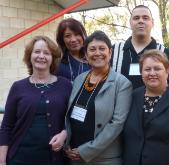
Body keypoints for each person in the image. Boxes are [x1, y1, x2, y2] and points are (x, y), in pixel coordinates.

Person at [0, 36, 72, 165]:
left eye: (46, 53)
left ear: (53, 58)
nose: (41, 56)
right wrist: (1, 161)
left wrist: (65, 133)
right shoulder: (18, 87)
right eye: (37, 51)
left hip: (54, 159)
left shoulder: (66, 85)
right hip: (19, 158)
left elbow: (73, 119)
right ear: (30, 56)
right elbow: (6, 126)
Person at [64, 31, 132, 165]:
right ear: (86, 54)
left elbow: (117, 124)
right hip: (75, 155)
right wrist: (68, 143)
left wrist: (85, 150)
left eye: (102, 48)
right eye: (92, 49)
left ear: (110, 53)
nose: (97, 53)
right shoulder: (79, 79)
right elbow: (69, 115)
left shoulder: (122, 83)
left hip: (104, 158)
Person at [111, 5, 169, 94]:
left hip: (155, 107)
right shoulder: (114, 51)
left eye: (145, 18)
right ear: (130, 23)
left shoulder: (165, 53)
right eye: (136, 18)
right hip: (120, 107)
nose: (141, 21)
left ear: (152, 23)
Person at [56, 18, 90, 83]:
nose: (73, 39)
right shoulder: (57, 63)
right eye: (68, 36)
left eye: (77, 34)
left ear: (83, 35)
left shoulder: (93, 61)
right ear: (62, 40)